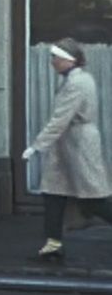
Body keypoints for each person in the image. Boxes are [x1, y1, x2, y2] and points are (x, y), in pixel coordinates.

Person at [22, 38, 112, 262]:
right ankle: (53, 243)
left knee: (93, 199)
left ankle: (54, 242)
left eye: (56, 57)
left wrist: (36, 146)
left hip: (79, 145)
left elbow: (60, 119)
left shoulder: (77, 83)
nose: (52, 61)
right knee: (53, 193)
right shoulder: (74, 80)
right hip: (67, 143)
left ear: (68, 60)